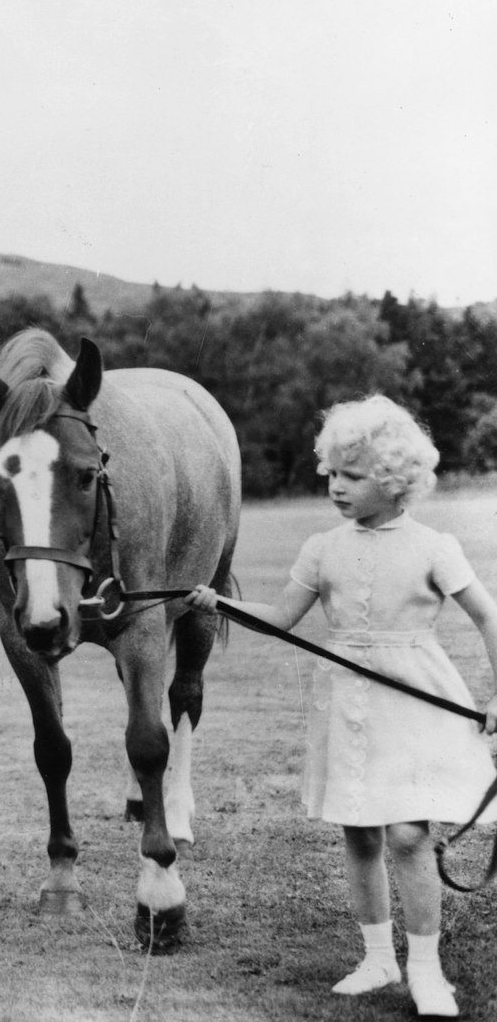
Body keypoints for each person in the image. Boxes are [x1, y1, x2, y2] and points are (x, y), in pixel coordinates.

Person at [185, 394, 497, 1019]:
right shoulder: (323, 547)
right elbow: (280, 619)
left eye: (351, 476)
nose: (335, 487)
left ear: (393, 479)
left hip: (418, 700)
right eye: (331, 474)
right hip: (347, 703)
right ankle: (378, 957)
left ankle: (427, 972)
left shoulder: (435, 546)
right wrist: (218, 602)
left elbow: (490, 618)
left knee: (408, 835)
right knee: (359, 833)